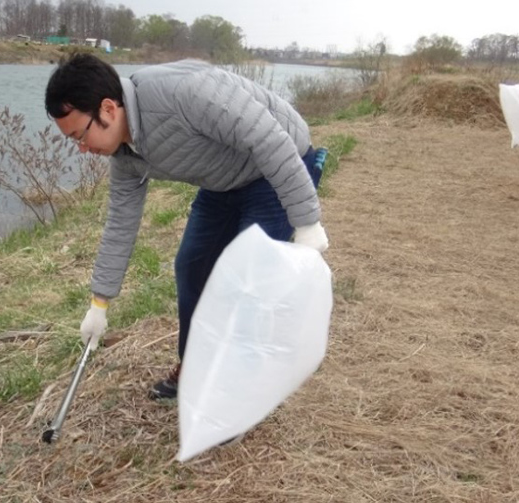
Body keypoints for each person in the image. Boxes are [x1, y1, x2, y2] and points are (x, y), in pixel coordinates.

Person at [45, 53, 328, 400]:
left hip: (279, 163)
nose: (82, 149)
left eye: (80, 135)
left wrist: (306, 221)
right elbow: (120, 223)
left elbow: (268, 138)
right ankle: (196, 367)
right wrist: (99, 303)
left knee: (249, 281)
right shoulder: (124, 155)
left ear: (107, 109)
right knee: (193, 265)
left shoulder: (182, 94)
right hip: (224, 179)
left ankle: (236, 396)